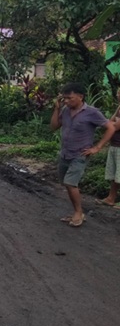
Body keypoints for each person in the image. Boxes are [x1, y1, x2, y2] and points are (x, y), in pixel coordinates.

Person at [51, 82, 116, 227]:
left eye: (70, 98)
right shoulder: (66, 111)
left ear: (81, 97)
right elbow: (54, 126)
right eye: (65, 98)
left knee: (70, 183)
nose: (66, 101)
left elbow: (110, 127)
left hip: (79, 155)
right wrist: (57, 109)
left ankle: (79, 213)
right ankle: (77, 211)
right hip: (65, 153)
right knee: (67, 184)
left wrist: (97, 147)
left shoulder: (92, 112)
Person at [99, 87, 120, 207]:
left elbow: (115, 127)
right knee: (115, 175)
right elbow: (109, 123)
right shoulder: (119, 107)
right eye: (118, 93)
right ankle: (111, 198)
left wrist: (113, 123)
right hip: (114, 144)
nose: (118, 95)